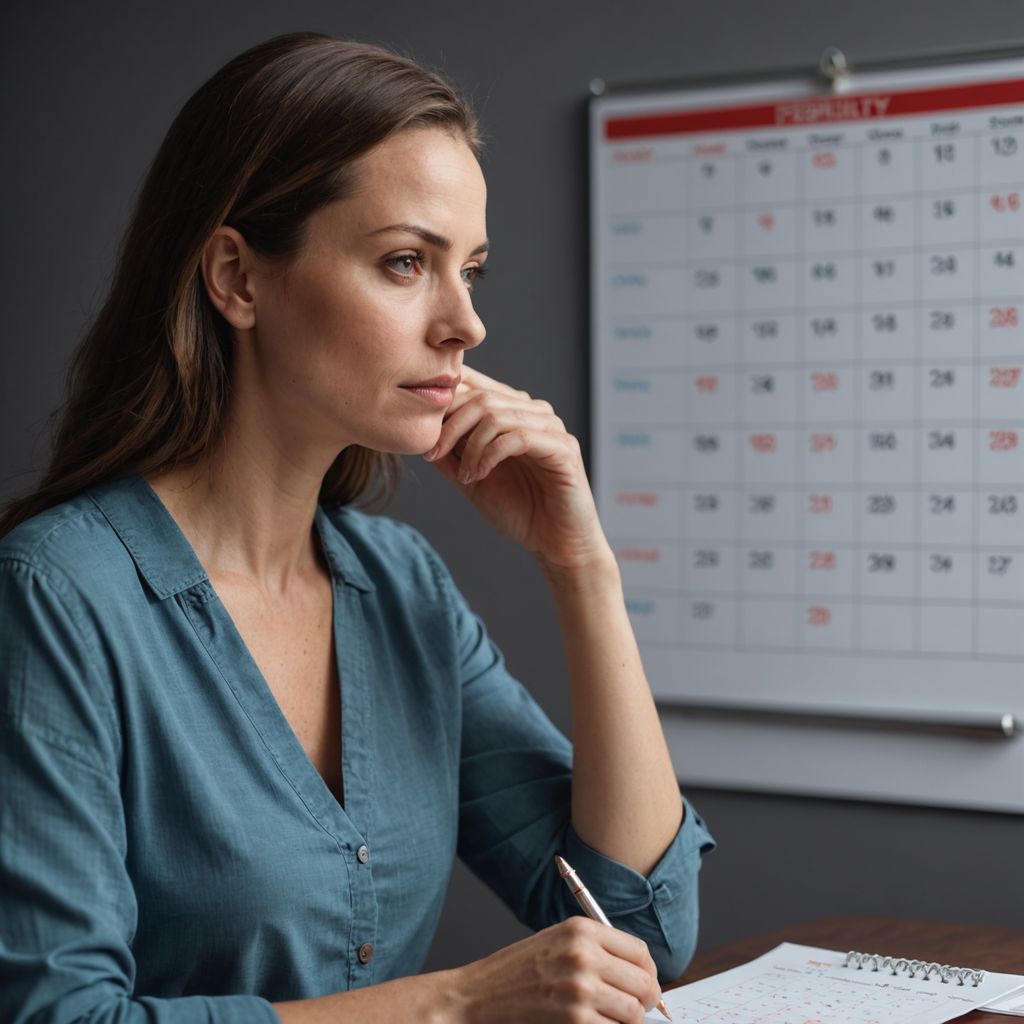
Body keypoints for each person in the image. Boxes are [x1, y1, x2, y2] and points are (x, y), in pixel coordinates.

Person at [0, 31, 714, 1023]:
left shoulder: (402, 586)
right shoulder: (55, 594)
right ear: (237, 280)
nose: (463, 322)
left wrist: (581, 567)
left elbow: (637, 927)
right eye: (405, 262)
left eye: (471, 269)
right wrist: (457, 1003)